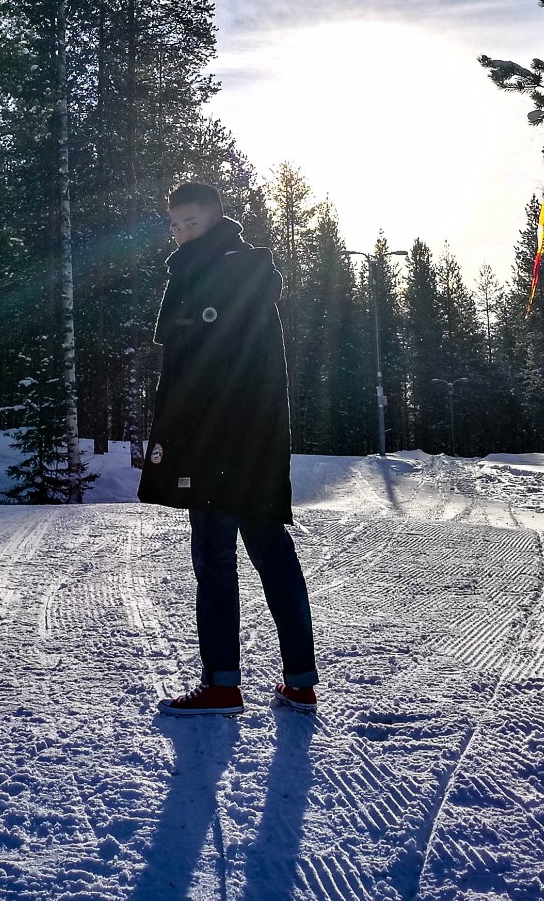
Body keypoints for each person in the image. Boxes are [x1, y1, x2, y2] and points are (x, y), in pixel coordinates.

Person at [139, 179, 318, 715]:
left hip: (220, 440)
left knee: (216, 559)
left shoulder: (226, 272)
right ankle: (299, 681)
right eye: (175, 225)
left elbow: (211, 369)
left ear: (217, 217)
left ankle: (222, 685)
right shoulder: (223, 272)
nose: (180, 233)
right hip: (252, 440)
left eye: (190, 223)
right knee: (270, 551)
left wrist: (188, 436)